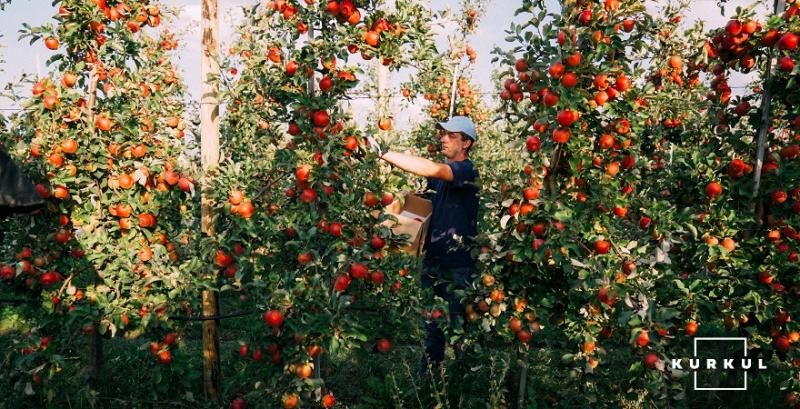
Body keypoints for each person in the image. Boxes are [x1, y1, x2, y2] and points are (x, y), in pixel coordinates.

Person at [368, 116, 480, 377]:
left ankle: (465, 382)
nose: (443, 138)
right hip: (434, 261)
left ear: (466, 143)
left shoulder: (466, 171)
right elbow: (420, 202)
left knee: (461, 326)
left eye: (451, 135)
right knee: (433, 325)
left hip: (459, 265)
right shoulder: (440, 179)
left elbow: (434, 169)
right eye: (443, 133)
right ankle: (429, 380)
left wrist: (386, 153)